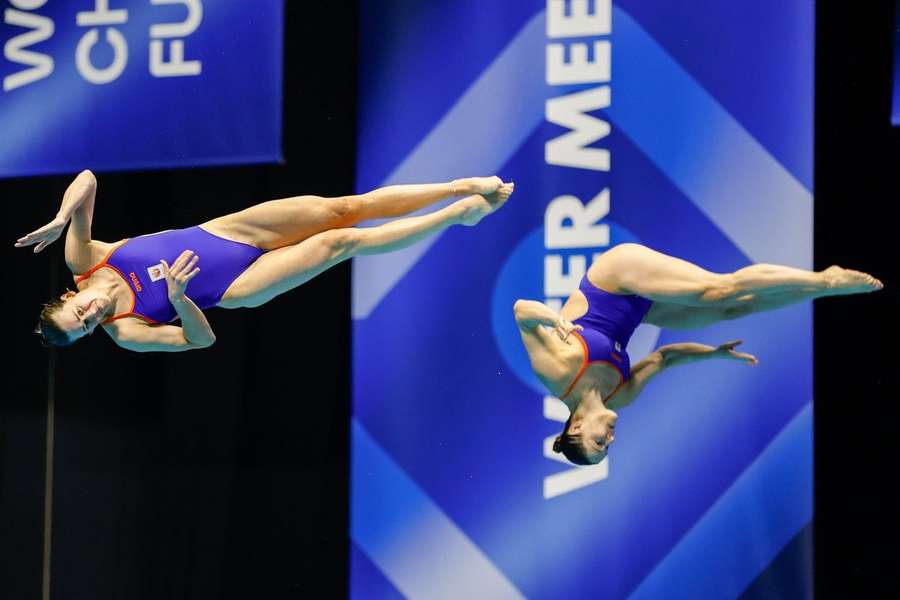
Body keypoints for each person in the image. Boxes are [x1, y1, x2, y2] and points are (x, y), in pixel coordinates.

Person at [18, 170, 514, 352]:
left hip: (227, 231)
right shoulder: (127, 332)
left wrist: (64, 217)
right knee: (340, 243)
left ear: (71, 294)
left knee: (344, 208)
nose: (93, 318)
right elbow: (201, 339)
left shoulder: (83, 257)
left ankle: (459, 185)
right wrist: (177, 298)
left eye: (80, 313)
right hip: (237, 287)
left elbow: (86, 180)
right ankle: (455, 216)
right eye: (87, 329)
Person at [513, 243, 883, 465]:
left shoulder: (559, 372)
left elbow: (520, 312)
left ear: (575, 427)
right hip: (639, 308)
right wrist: (713, 354)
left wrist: (550, 316)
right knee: (733, 309)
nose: (609, 439)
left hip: (613, 278)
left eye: (599, 442)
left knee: (719, 290)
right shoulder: (620, 396)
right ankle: (821, 291)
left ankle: (826, 279)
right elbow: (666, 358)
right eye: (608, 447)